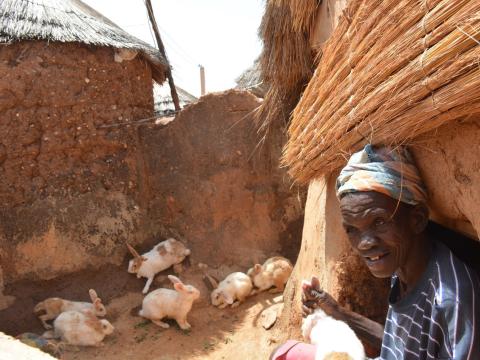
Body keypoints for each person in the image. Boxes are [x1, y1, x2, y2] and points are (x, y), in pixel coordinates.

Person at [271, 145, 480, 360]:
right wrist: (336, 311)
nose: (364, 244)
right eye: (352, 229)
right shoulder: (402, 265)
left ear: (417, 219)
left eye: (379, 222)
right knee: (283, 354)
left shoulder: (451, 299)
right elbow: (396, 346)